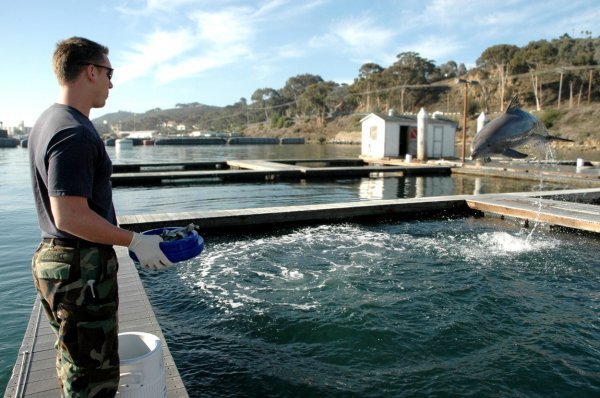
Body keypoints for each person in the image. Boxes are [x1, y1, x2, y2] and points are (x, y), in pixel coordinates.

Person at [28, 37, 172, 397]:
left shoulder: (48, 120)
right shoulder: (73, 132)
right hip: (81, 270)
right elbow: (70, 216)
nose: (111, 82)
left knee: (73, 364)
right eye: (109, 72)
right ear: (90, 72)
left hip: (59, 262)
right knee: (94, 380)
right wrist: (134, 240)